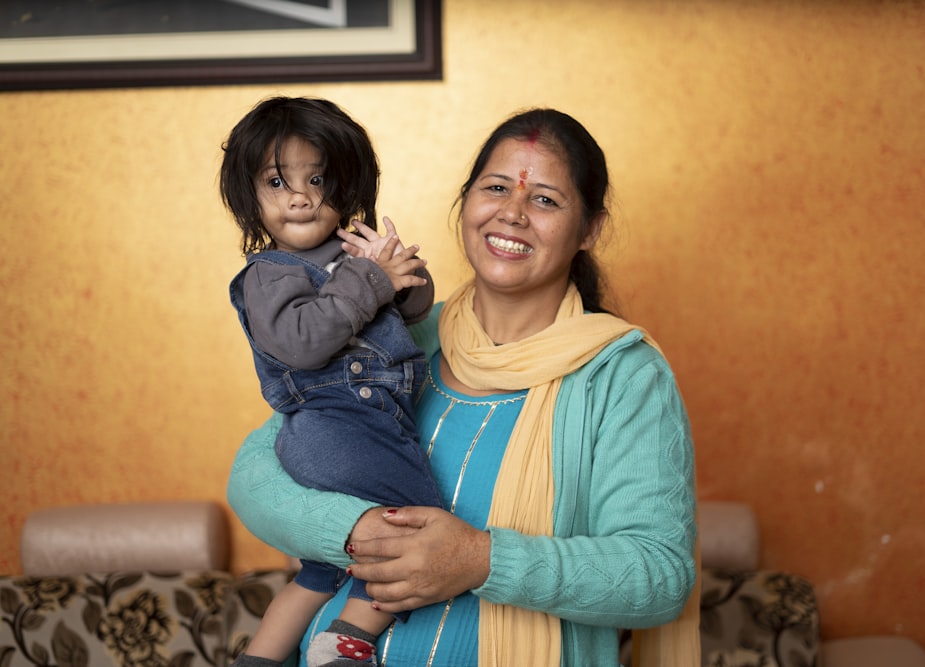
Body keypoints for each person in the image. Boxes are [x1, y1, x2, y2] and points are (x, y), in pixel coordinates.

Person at [227, 107, 700, 667]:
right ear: (466, 201)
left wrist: (481, 559)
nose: (513, 213)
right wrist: (357, 532)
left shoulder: (621, 376)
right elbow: (254, 477)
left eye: (545, 199)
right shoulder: (397, 333)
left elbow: (658, 575)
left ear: (590, 229)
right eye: (496, 188)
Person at [220, 96, 443, 667]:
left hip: (355, 431)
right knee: (419, 530)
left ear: (347, 187)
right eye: (276, 181)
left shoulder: (352, 254)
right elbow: (302, 340)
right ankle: (345, 645)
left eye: (317, 178)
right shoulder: (267, 275)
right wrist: (369, 278)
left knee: (320, 569)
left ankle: (262, 657)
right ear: (250, 197)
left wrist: (398, 270)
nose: (298, 195)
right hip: (339, 430)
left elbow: (414, 313)